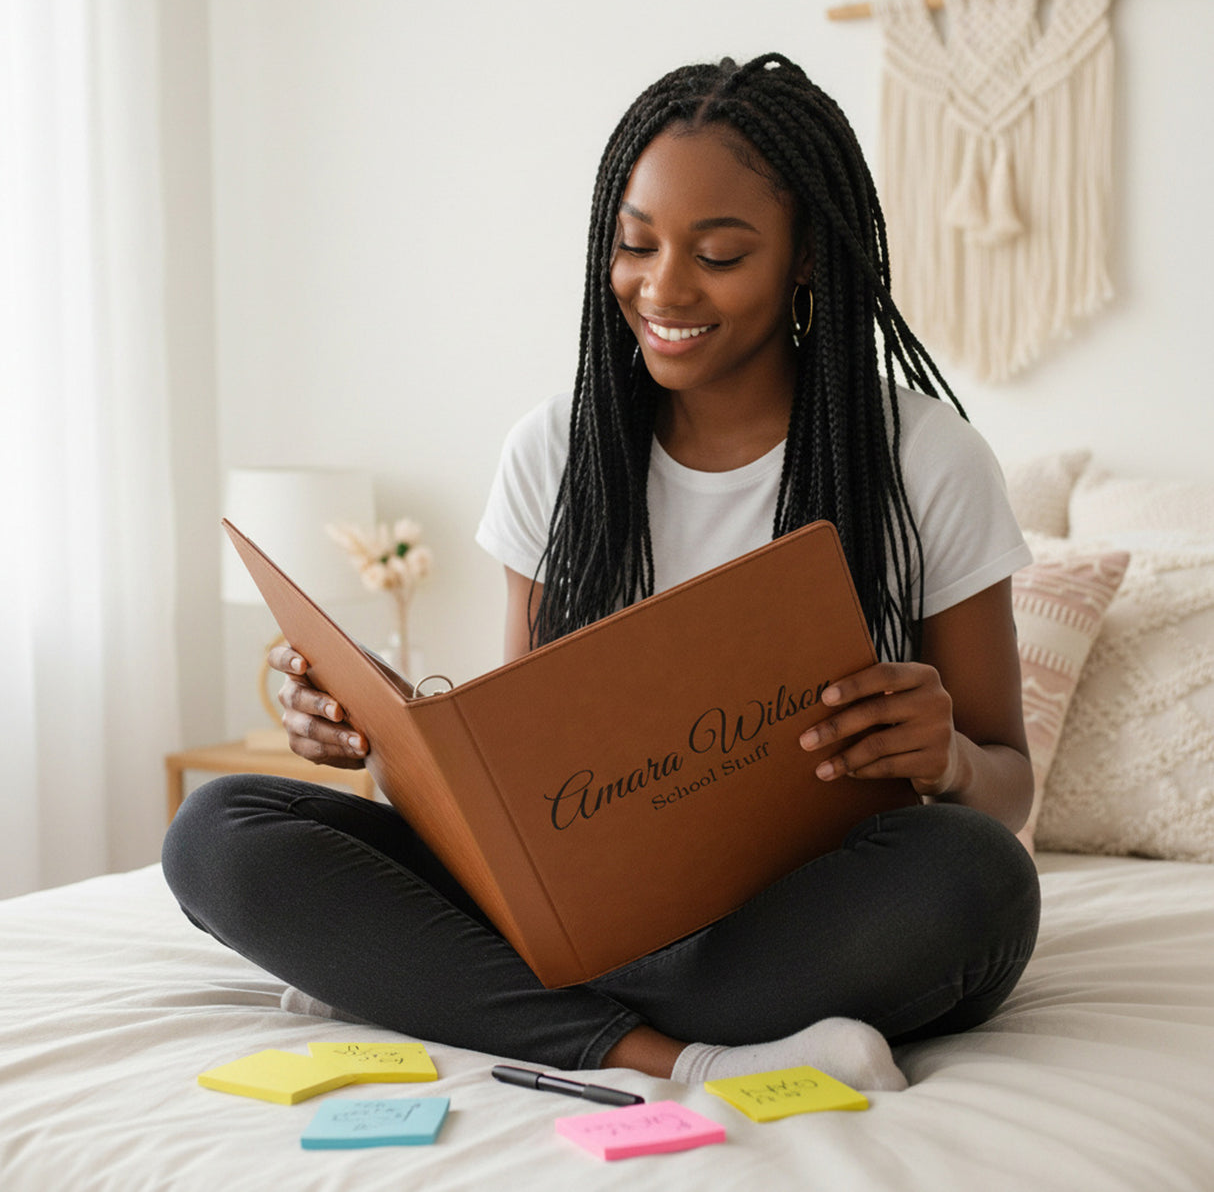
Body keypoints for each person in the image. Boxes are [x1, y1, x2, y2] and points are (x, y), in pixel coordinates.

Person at [163, 54, 1040, 1093]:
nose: (661, 288)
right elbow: (516, 799)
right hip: (585, 917)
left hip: (785, 908)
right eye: (634, 245)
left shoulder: (923, 459)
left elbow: (1006, 786)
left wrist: (942, 758)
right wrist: (374, 735)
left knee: (978, 882)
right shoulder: (554, 451)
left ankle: (424, 981)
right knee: (218, 831)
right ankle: (669, 1054)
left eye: (717, 254)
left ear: (805, 257)